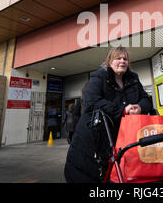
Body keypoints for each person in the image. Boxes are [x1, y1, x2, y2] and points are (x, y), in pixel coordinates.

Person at [64, 47, 153, 183]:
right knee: (89, 175)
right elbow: (92, 101)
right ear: (109, 61)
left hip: (122, 138)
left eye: (125, 59)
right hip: (94, 138)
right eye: (118, 58)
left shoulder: (133, 78)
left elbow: (145, 99)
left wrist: (140, 107)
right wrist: (123, 110)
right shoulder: (99, 76)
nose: (122, 61)